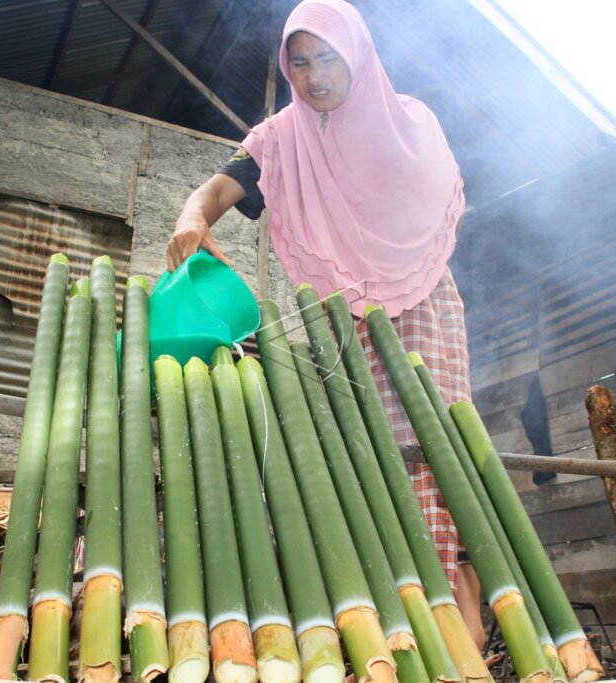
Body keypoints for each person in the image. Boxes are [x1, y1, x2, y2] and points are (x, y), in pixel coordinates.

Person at [166, 0, 484, 647]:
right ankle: (400, 620)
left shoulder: (411, 124)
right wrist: (190, 219)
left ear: (359, 55)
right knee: (368, 457)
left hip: (422, 304)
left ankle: (463, 619)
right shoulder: (284, 140)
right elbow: (219, 190)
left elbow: (430, 204)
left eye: (327, 58)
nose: (313, 76)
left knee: (434, 446)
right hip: (348, 320)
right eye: (300, 62)